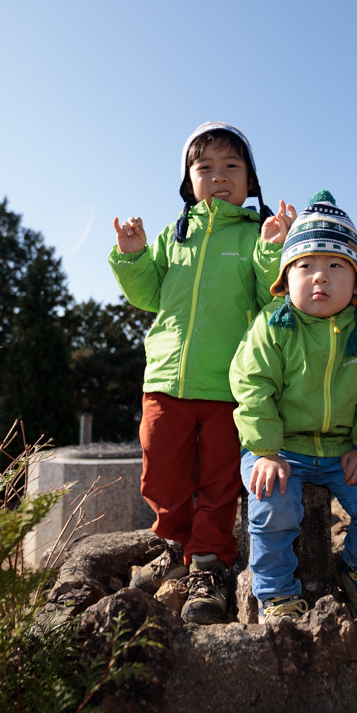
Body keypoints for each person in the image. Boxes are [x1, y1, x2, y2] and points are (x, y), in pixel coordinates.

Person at [109, 122, 294, 625]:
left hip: (229, 385)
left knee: (218, 484)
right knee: (161, 473)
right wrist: (133, 256)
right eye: (205, 167)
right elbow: (148, 295)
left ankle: (209, 565)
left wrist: (275, 247)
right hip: (166, 379)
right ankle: (174, 546)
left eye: (232, 167)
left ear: (251, 181)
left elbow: (269, 294)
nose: (218, 177)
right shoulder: (176, 235)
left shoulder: (255, 235)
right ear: (188, 181)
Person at [229, 191, 357, 625]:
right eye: (304, 266)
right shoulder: (274, 323)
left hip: (344, 450)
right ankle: (276, 597)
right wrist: (266, 451)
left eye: (335, 266)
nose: (319, 278)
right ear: (286, 279)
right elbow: (252, 387)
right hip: (278, 447)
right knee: (274, 507)